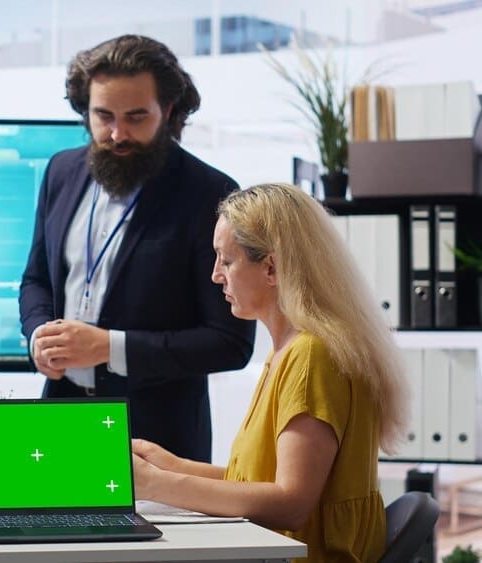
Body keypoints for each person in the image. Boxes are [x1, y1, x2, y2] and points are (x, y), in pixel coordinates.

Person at [132, 183, 408, 561]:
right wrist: (174, 467)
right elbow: (260, 483)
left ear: (272, 268)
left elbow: (290, 503)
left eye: (226, 260)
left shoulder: (312, 356)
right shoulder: (294, 349)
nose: (215, 275)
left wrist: (157, 485)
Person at [19, 34, 255, 462]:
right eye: (102, 115)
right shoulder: (60, 171)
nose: (117, 133)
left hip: (159, 440)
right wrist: (39, 334)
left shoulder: (211, 193)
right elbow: (36, 279)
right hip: (58, 418)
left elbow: (230, 342)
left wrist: (110, 346)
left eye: (136, 117)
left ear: (167, 111)